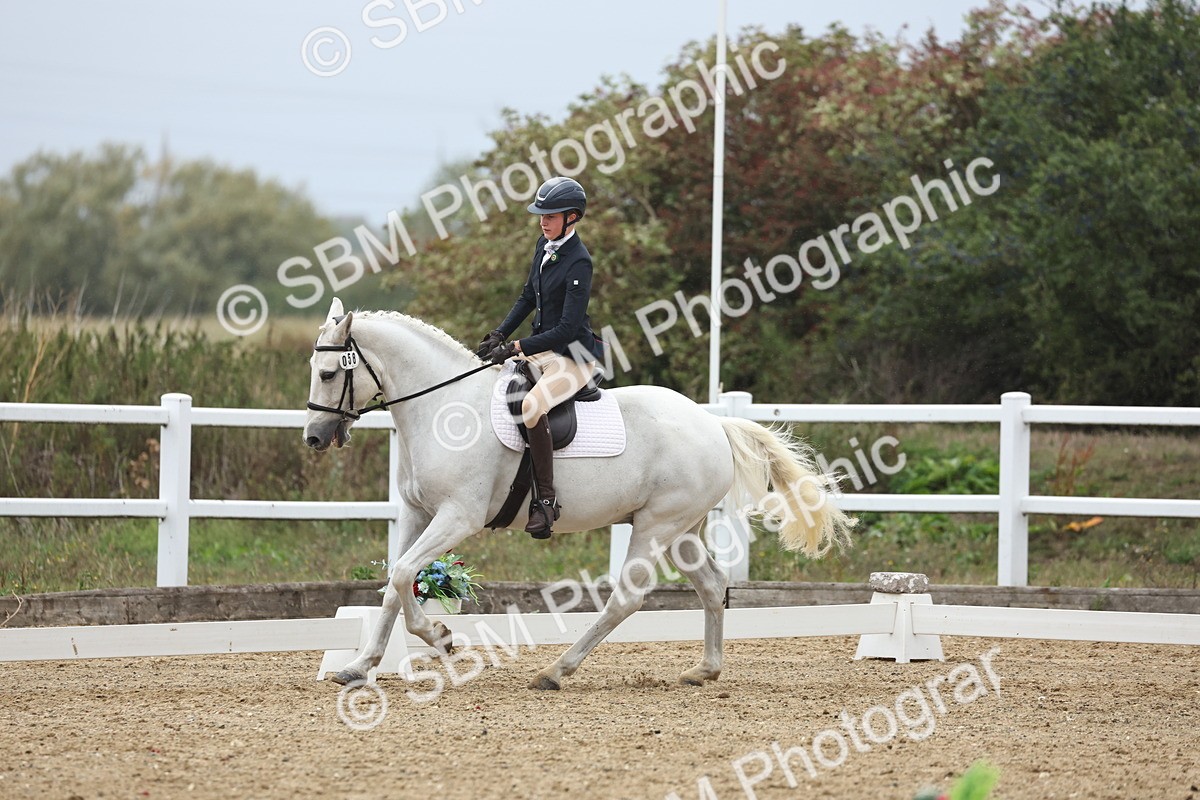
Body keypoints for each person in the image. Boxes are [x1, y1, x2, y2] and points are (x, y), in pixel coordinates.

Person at [477, 176, 604, 540]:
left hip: (573, 356)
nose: (542, 221)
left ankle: (546, 501)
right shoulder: (543, 246)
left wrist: (516, 347)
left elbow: (566, 329)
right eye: (541, 215)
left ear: (572, 217)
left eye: (550, 216)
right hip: (542, 348)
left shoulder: (580, 261)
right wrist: (500, 333)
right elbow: (526, 297)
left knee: (532, 407)